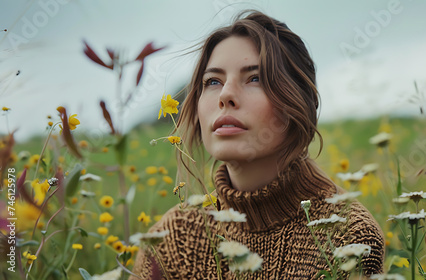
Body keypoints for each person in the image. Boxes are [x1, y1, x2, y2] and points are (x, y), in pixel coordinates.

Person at [131, 10, 385, 279]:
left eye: (255, 78)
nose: (226, 94)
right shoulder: (171, 240)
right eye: (213, 81)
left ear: (296, 102)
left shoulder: (348, 238)